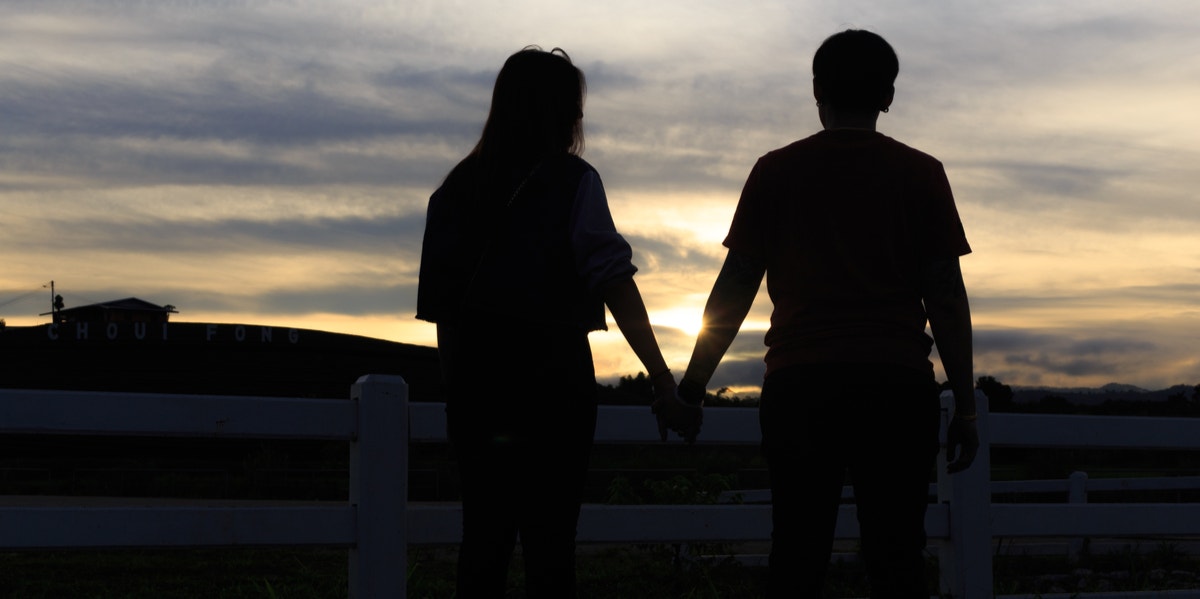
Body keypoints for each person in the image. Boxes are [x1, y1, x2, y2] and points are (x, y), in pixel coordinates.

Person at [677, 29, 979, 598]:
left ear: (817, 89)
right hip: (895, 383)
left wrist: (693, 386)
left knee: (796, 552)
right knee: (897, 559)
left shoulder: (776, 171)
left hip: (801, 384)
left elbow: (736, 284)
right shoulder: (922, 173)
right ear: (888, 96)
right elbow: (944, 294)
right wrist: (964, 406)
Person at [416, 46, 682, 598]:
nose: (580, 120)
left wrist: (458, 393)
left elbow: (443, 314)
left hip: (477, 388)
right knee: (551, 544)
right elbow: (613, 280)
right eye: (574, 108)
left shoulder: (451, 192)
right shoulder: (573, 181)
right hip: (554, 384)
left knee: (483, 541)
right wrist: (660, 377)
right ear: (560, 113)